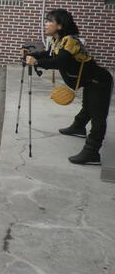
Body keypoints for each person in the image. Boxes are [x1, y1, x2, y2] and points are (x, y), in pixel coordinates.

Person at [26, 9, 113, 165]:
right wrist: (34, 54)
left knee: (97, 115)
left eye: (49, 21)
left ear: (59, 25)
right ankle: (79, 128)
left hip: (99, 81)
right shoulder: (57, 40)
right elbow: (51, 55)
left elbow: (60, 62)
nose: (45, 23)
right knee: (87, 106)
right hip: (89, 81)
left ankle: (92, 152)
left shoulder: (70, 41)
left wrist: (37, 63)